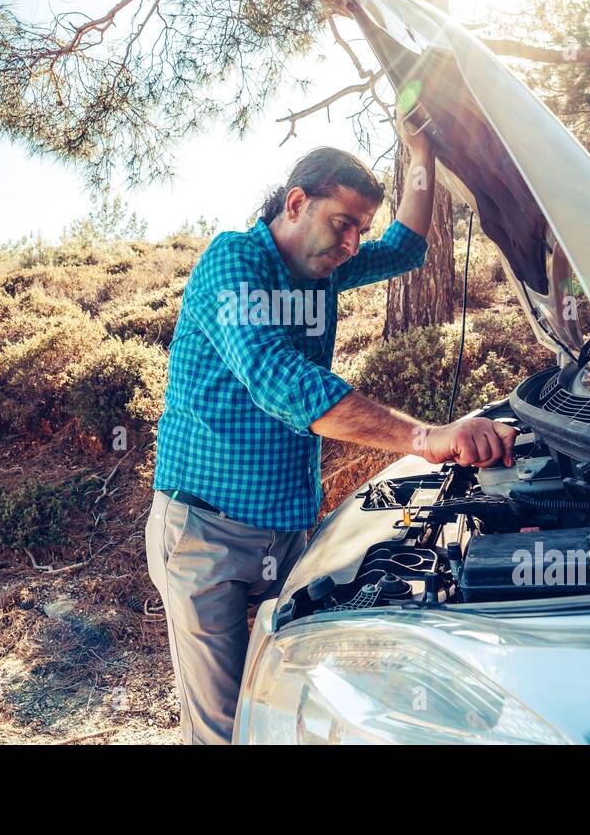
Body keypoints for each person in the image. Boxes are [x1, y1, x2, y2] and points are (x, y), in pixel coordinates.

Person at [147, 105, 519, 743]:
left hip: (288, 532)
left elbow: (404, 246)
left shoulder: (327, 264)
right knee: (222, 728)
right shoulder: (234, 261)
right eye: (342, 223)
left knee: (277, 704)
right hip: (205, 533)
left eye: (358, 229)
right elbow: (279, 380)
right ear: (295, 202)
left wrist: (420, 156)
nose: (351, 244)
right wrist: (425, 437)